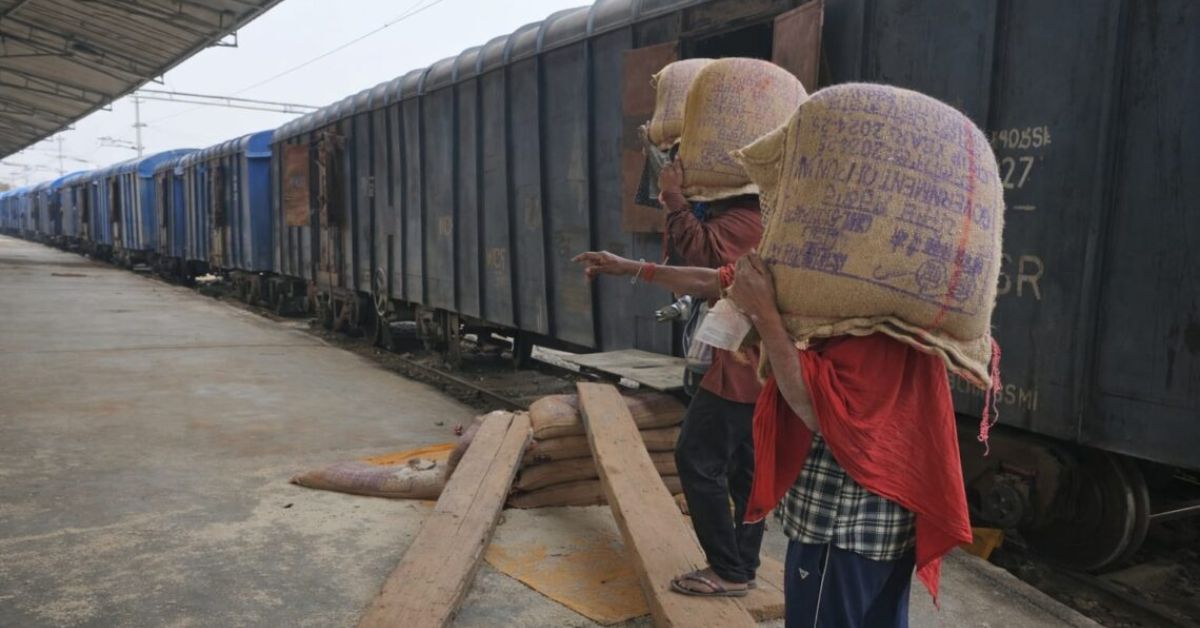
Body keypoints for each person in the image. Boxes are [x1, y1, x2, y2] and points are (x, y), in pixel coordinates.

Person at [572, 250, 972, 628]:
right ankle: (735, 566)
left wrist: (764, 314)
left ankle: (731, 568)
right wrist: (634, 268)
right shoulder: (873, 287)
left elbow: (819, 412)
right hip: (889, 517)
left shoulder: (865, 305)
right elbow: (720, 281)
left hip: (844, 523)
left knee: (706, 461)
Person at [656, 158, 765, 598]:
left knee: (696, 458)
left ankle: (728, 570)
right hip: (756, 369)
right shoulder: (761, 214)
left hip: (742, 370)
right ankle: (744, 564)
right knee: (745, 469)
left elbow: (705, 261)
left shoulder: (746, 219)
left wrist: (674, 199)